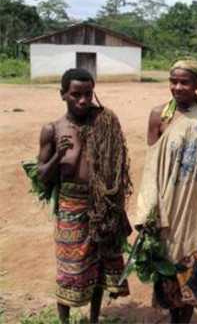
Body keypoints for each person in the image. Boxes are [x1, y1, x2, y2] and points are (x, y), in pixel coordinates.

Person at [36, 68, 131, 323]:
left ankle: (93, 318)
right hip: (71, 205)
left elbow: (118, 165)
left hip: (103, 204)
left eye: (88, 94)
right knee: (70, 267)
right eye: (76, 94)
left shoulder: (104, 121)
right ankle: (64, 320)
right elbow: (41, 174)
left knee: (100, 266)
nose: (83, 101)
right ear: (63, 94)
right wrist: (58, 156)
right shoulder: (53, 129)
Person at [137, 59, 197, 324]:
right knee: (170, 270)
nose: (178, 87)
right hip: (169, 207)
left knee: (196, 271)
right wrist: (147, 210)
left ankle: (185, 318)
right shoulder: (159, 115)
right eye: (173, 81)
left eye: (185, 82)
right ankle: (177, 319)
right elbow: (151, 167)